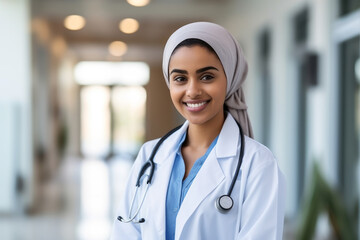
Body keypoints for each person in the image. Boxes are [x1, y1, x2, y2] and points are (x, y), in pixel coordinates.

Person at [110, 22, 286, 240]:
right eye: (180, 79)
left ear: (229, 79)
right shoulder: (151, 155)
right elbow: (125, 233)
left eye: (207, 77)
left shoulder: (258, 164)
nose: (192, 91)